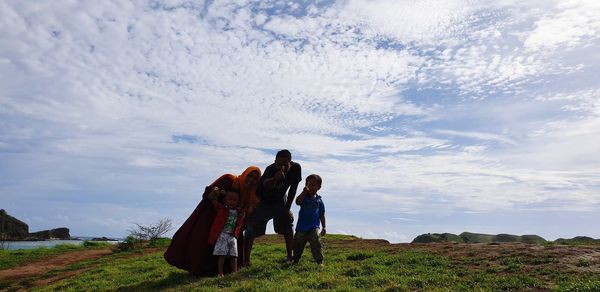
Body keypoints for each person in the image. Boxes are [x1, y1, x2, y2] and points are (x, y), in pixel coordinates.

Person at [164, 166, 261, 276]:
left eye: (255, 179)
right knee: (203, 243)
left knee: (230, 251)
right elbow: (209, 192)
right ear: (245, 173)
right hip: (211, 218)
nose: (251, 180)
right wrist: (215, 193)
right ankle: (201, 270)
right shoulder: (229, 179)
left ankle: (226, 271)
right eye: (250, 176)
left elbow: (243, 213)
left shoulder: (249, 194)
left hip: (230, 226)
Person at [245, 149, 301, 265]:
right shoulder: (270, 169)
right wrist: (275, 178)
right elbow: (264, 186)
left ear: (291, 162)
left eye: (285, 165)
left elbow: (293, 190)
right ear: (274, 161)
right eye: (278, 164)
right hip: (264, 201)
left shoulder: (296, 169)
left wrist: (287, 209)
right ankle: (246, 261)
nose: (282, 167)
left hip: (280, 200)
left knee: (287, 223)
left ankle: (290, 257)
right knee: (251, 227)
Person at [207, 188, 245, 277]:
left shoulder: (239, 211)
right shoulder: (222, 208)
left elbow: (245, 214)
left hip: (233, 236)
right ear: (225, 200)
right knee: (222, 254)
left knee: (234, 255)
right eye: (229, 199)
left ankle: (234, 272)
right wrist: (217, 193)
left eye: (235, 200)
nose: (232, 201)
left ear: (238, 201)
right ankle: (220, 273)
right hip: (222, 234)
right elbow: (213, 201)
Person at [292, 174, 326, 265]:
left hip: (314, 227)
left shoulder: (319, 200)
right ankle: (295, 260)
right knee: (297, 246)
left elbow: (322, 214)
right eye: (308, 184)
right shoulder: (304, 197)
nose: (310, 187)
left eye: (313, 185)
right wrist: (303, 192)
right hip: (301, 228)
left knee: (316, 243)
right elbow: (297, 202)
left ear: (319, 187)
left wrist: (324, 227)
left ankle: (319, 261)